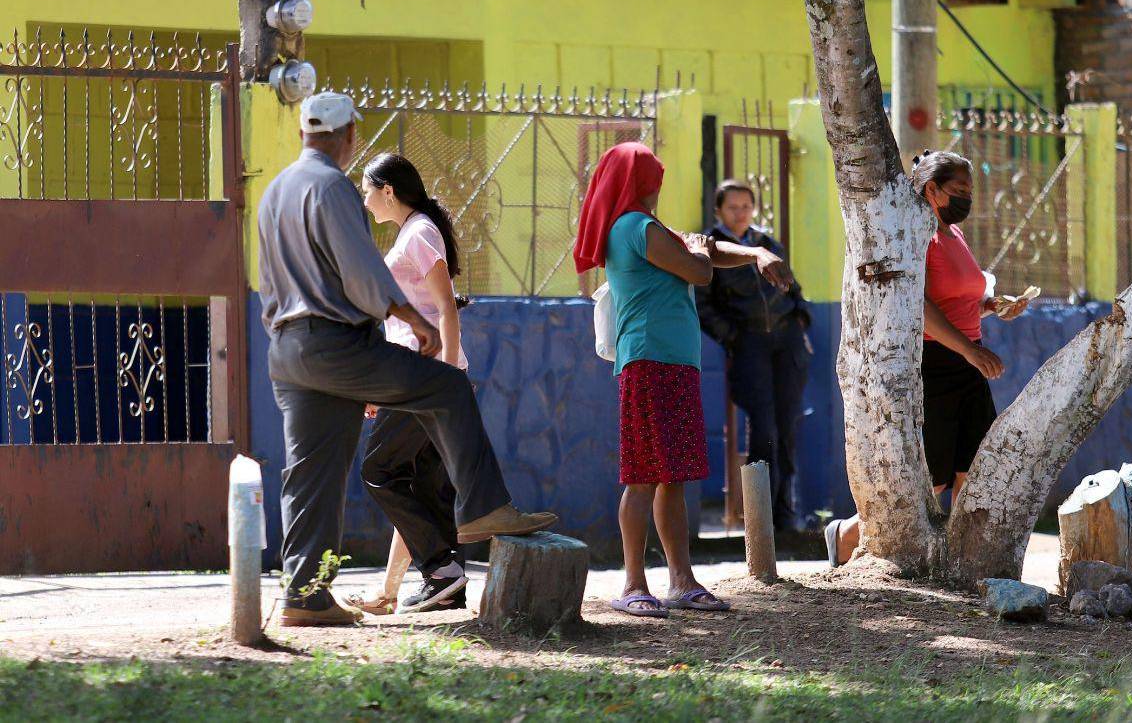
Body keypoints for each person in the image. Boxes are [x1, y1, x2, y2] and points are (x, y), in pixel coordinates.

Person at [257, 91, 557, 627]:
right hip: (339, 344)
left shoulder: (275, 191)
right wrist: (410, 317)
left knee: (308, 470)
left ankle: (305, 595)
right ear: (348, 135)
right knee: (447, 387)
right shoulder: (333, 187)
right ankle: (483, 508)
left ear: (305, 134)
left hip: (286, 348)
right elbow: (359, 269)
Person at [574, 142, 792, 618]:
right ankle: (633, 583)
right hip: (649, 358)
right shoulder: (635, 227)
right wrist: (695, 251)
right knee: (644, 476)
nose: (658, 184)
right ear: (641, 182)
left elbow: (708, 251)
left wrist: (755, 252)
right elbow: (699, 269)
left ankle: (682, 581)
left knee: (672, 474)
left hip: (673, 360)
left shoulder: (649, 227)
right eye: (654, 176)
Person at [823, 150, 1030, 567]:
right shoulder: (916, 237)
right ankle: (845, 535)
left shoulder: (953, 235)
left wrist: (991, 306)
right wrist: (971, 350)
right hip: (934, 366)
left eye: (970, 190)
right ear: (931, 190)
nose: (967, 199)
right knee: (931, 485)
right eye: (959, 190)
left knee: (974, 472)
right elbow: (917, 306)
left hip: (967, 368)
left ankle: (958, 564)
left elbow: (957, 297)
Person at [352, 152, 473, 615]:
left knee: (379, 471)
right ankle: (445, 584)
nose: (365, 202)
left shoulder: (419, 232)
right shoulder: (415, 232)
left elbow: (445, 307)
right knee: (422, 484)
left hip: (422, 378)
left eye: (368, 190)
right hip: (418, 376)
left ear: (388, 190)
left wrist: (443, 372)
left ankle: (442, 568)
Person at [695, 179, 812, 531]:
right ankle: (761, 521)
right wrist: (734, 337)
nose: (740, 213)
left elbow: (793, 287)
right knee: (764, 429)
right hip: (750, 349)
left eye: (746, 206)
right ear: (718, 211)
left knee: (788, 424)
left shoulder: (767, 242)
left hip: (786, 345)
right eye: (732, 207)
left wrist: (800, 320)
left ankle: (785, 514)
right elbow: (703, 304)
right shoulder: (710, 248)